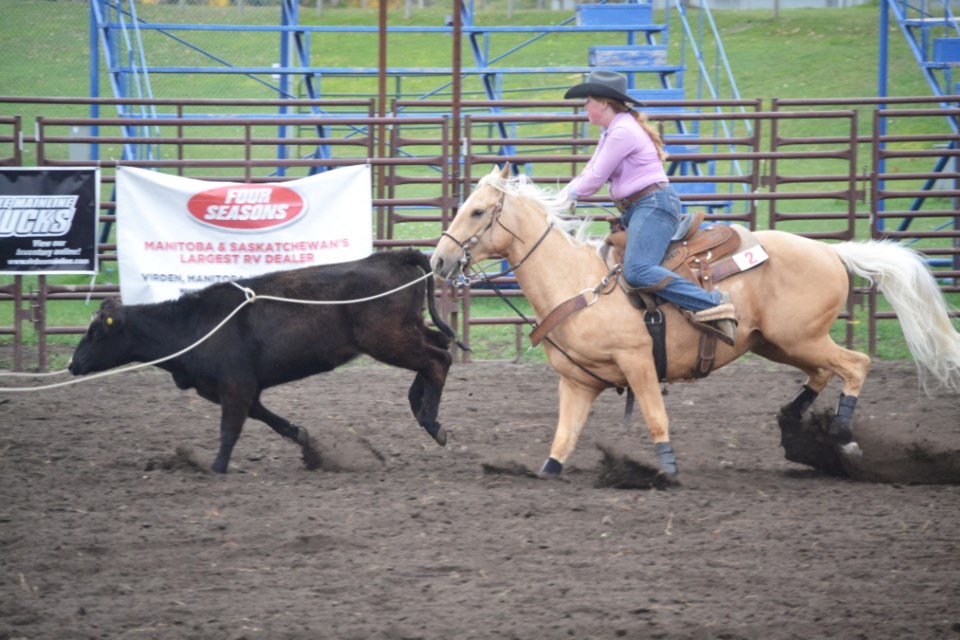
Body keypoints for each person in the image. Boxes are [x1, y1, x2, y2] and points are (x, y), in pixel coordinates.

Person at [562, 70, 738, 346]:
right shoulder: (613, 130)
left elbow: (594, 179)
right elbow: (591, 171)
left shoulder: (621, 132)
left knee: (637, 269)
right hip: (641, 207)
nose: (585, 105)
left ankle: (711, 302)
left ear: (604, 103)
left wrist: (562, 199)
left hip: (652, 205)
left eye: (588, 100)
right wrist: (566, 194)